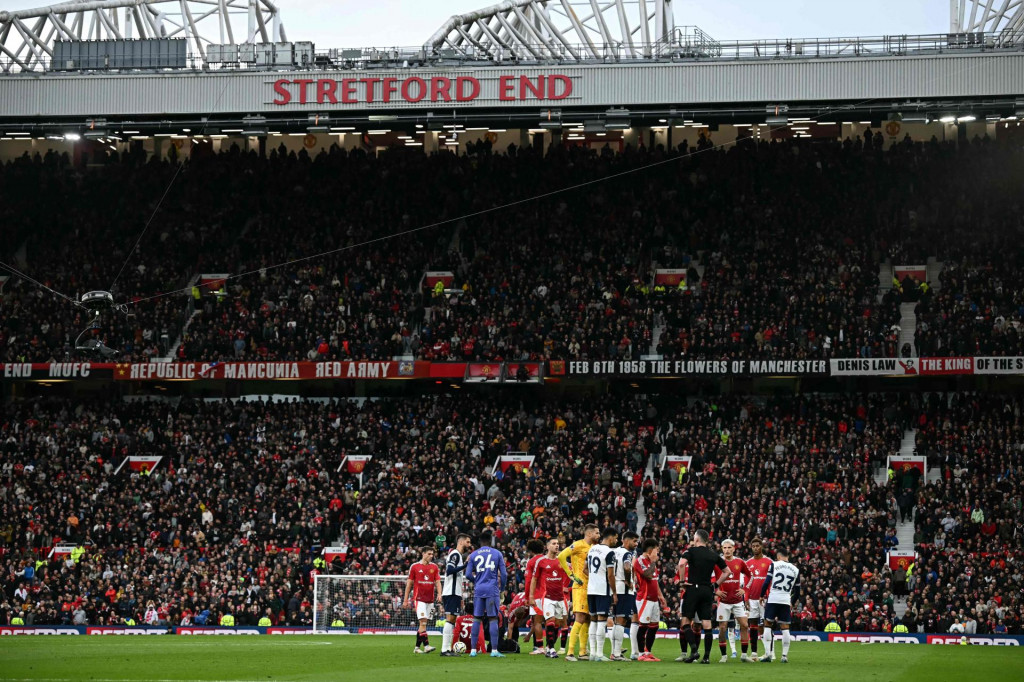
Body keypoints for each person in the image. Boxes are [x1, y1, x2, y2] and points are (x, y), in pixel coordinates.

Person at [679, 529, 730, 664]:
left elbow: (681, 564)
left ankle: (694, 650)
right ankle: (706, 657)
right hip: (707, 590)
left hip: (693, 588)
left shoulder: (690, 551)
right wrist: (715, 585)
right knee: (706, 623)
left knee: (685, 622)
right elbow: (727, 572)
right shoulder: (713, 555)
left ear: (696, 540)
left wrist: (682, 581)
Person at [557, 522, 600, 661]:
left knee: (587, 619)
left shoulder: (594, 548)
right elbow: (561, 556)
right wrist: (571, 575)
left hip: (591, 587)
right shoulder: (578, 545)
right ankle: (570, 653)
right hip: (580, 586)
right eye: (596, 533)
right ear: (589, 533)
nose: (598, 535)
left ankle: (582, 652)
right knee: (580, 618)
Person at [466, 529, 507, 658]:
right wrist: (502, 587)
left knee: (477, 618)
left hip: (479, 589)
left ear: (480, 542)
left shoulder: (473, 555)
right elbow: (504, 574)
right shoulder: (497, 553)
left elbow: (467, 574)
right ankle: (494, 650)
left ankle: (473, 650)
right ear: (490, 541)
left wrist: (477, 580)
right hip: (492, 589)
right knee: (493, 618)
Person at [759, 546, 800, 664]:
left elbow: (767, 582)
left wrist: (761, 596)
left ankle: (767, 654)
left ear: (778, 556)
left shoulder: (774, 565)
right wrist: (792, 602)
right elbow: (797, 591)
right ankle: (784, 656)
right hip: (785, 600)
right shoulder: (795, 569)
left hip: (773, 599)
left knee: (767, 625)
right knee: (785, 628)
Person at [713, 539, 753, 662]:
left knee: (745, 625)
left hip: (737, 601)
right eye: (724, 548)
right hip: (723, 602)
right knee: (723, 628)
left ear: (734, 548)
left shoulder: (739, 562)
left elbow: (750, 576)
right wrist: (716, 591)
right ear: (722, 549)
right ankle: (724, 656)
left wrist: (745, 589)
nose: (727, 550)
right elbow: (710, 578)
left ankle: (744, 656)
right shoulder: (717, 563)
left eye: (729, 547)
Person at [585, 527, 619, 661]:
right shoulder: (609, 552)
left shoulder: (592, 549)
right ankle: (599, 654)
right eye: (616, 538)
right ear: (610, 538)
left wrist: (594, 577)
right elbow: (610, 575)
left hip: (591, 589)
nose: (616, 540)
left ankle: (593, 653)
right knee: (601, 620)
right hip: (602, 590)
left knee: (593, 620)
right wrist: (614, 592)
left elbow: (584, 569)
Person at [530, 537, 567, 658]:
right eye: (554, 544)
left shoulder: (562, 560)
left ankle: (549, 646)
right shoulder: (541, 561)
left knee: (557, 624)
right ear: (547, 546)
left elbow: (571, 574)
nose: (557, 546)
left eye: (558, 544)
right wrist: (531, 596)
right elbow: (534, 579)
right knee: (549, 622)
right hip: (547, 597)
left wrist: (567, 587)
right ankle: (551, 649)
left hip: (560, 598)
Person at [633, 538, 669, 662]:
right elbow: (647, 575)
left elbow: (654, 581)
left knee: (654, 626)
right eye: (656, 551)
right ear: (649, 551)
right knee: (643, 626)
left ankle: (648, 652)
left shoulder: (650, 562)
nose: (657, 554)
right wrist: (653, 562)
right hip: (644, 599)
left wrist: (661, 596)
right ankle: (641, 654)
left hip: (654, 600)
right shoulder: (640, 561)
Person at [403, 546, 441, 654]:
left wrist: (439, 594)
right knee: (423, 622)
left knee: (422, 625)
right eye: (429, 554)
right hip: (419, 599)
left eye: (432, 554)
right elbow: (409, 584)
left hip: (430, 600)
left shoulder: (434, 567)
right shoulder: (414, 567)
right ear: (423, 554)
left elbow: (438, 582)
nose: (431, 556)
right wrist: (405, 600)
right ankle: (427, 646)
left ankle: (416, 648)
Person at [440, 533, 472, 656]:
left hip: (454, 592)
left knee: (452, 620)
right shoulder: (455, 554)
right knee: (450, 619)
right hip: (451, 591)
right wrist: (465, 565)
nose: (469, 544)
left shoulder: (458, 555)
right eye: (467, 542)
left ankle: (447, 649)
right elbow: (449, 570)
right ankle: (445, 649)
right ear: (461, 542)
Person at [610, 530, 639, 661]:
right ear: (626, 541)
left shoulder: (614, 551)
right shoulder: (627, 553)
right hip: (624, 589)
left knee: (617, 620)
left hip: (614, 587)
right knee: (621, 620)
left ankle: (614, 652)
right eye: (634, 541)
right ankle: (616, 654)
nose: (636, 544)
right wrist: (628, 580)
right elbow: (627, 567)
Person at [745, 536, 772, 659]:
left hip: (764, 598)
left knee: (767, 625)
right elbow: (746, 582)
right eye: (753, 546)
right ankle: (754, 652)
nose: (755, 548)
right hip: (751, 599)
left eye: (758, 546)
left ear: (762, 547)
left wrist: (769, 596)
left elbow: (771, 581)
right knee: (753, 625)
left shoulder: (768, 562)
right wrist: (746, 598)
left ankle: (770, 653)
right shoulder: (748, 563)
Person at [522, 538, 547, 655]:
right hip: (551, 595)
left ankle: (541, 647)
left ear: (531, 550)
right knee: (552, 622)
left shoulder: (532, 562)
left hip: (537, 595)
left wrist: (527, 597)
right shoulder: (548, 559)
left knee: (537, 622)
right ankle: (553, 647)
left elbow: (528, 581)